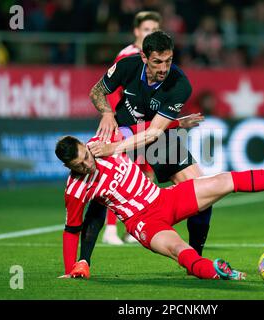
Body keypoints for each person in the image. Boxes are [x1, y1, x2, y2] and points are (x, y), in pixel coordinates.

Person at [55, 132, 264, 279]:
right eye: (79, 165)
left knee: (224, 180)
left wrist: (177, 125)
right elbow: (72, 229)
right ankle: (215, 272)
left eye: (86, 156)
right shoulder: (75, 189)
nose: (87, 164)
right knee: (180, 248)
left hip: (164, 198)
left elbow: (143, 135)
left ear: (86, 146)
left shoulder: (104, 143)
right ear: (69, 168)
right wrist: (73, 268)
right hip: (144, 223)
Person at [78, 29, 216, 274]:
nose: (164, 68)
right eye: (157, 62)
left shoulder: (180, 84)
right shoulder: (127, 66)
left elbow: (153, 133)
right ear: (144, 57)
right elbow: (96, 91)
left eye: (169, 61)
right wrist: (108, 113)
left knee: (203, 194)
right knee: (100, 196)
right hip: (123, 132)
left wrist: (112, 147)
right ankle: (83, 262)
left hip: (157, 138)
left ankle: (196, 259)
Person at [102, 11, 162, 245]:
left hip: (145, 124)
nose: (150, 34)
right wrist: (115, 118)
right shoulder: (126, 56)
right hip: (125, 122)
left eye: (155, 30)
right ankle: (109, 230)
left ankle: (133, 229)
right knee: (120, 174)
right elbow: (112, 87)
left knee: (147, 174)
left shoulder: (156, 58)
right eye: (147, 29)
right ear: (137, 31)